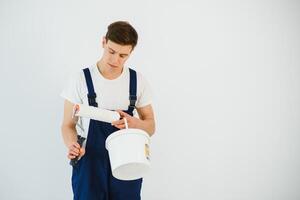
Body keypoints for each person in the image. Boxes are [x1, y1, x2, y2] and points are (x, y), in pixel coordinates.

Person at [60, 21, 156, 200]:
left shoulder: (137, 81)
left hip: (128, 161)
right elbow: (67, 125)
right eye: (111, 51)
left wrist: (136, 123)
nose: (115, 60)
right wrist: (73, 145)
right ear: (103, 42)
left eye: (123, 55)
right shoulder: (80, 80)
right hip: (89, 161)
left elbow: (151, 126)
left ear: (131, 52)